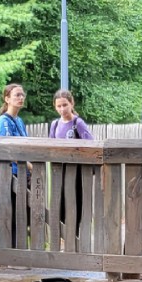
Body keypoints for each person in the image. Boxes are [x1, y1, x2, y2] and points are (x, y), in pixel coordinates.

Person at [48, 89, 92, 230]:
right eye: (59, 106)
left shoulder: (78, 123)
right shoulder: (55, 124)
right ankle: (62, 235)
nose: (62, 109)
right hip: (59, 170)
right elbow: (50, 146)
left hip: (77, 170)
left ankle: (75, 234)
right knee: (60, 201)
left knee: (76, 201)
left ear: (72, 103)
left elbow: (91, 144)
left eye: (65, 105)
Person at [0, 83, 28, 242]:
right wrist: (28, 165)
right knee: (12, 215)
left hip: (22, 174)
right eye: (17, 95)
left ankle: (20, 249)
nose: (21, 98)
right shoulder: (4, 121)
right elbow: (7, 149)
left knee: (22, 215)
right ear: (7, 99)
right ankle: (11, 249)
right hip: (10, 175)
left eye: (22, 95)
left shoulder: (19, 121)